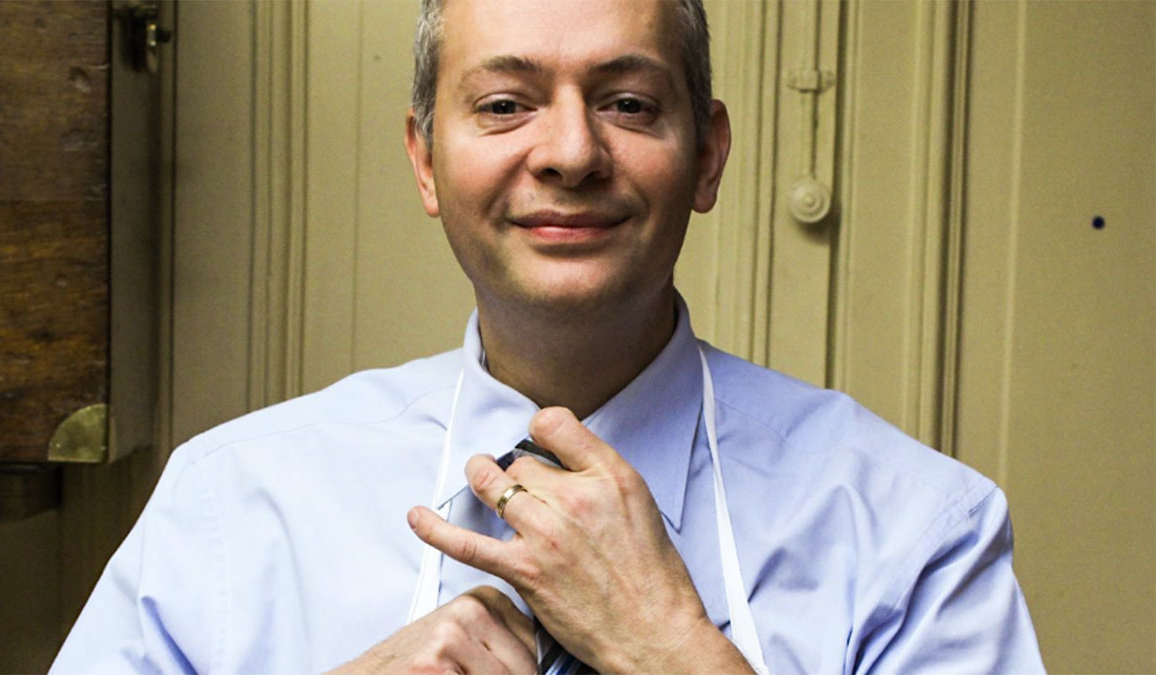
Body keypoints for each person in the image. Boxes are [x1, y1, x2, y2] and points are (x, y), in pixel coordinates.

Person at [53, 0, 1045, 672]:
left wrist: (670, 651)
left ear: (708, 157)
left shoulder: (915, 535)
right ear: (425, 160)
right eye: (504, 105)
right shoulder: (228, 508)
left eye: (628, 104)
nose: (571, 152)